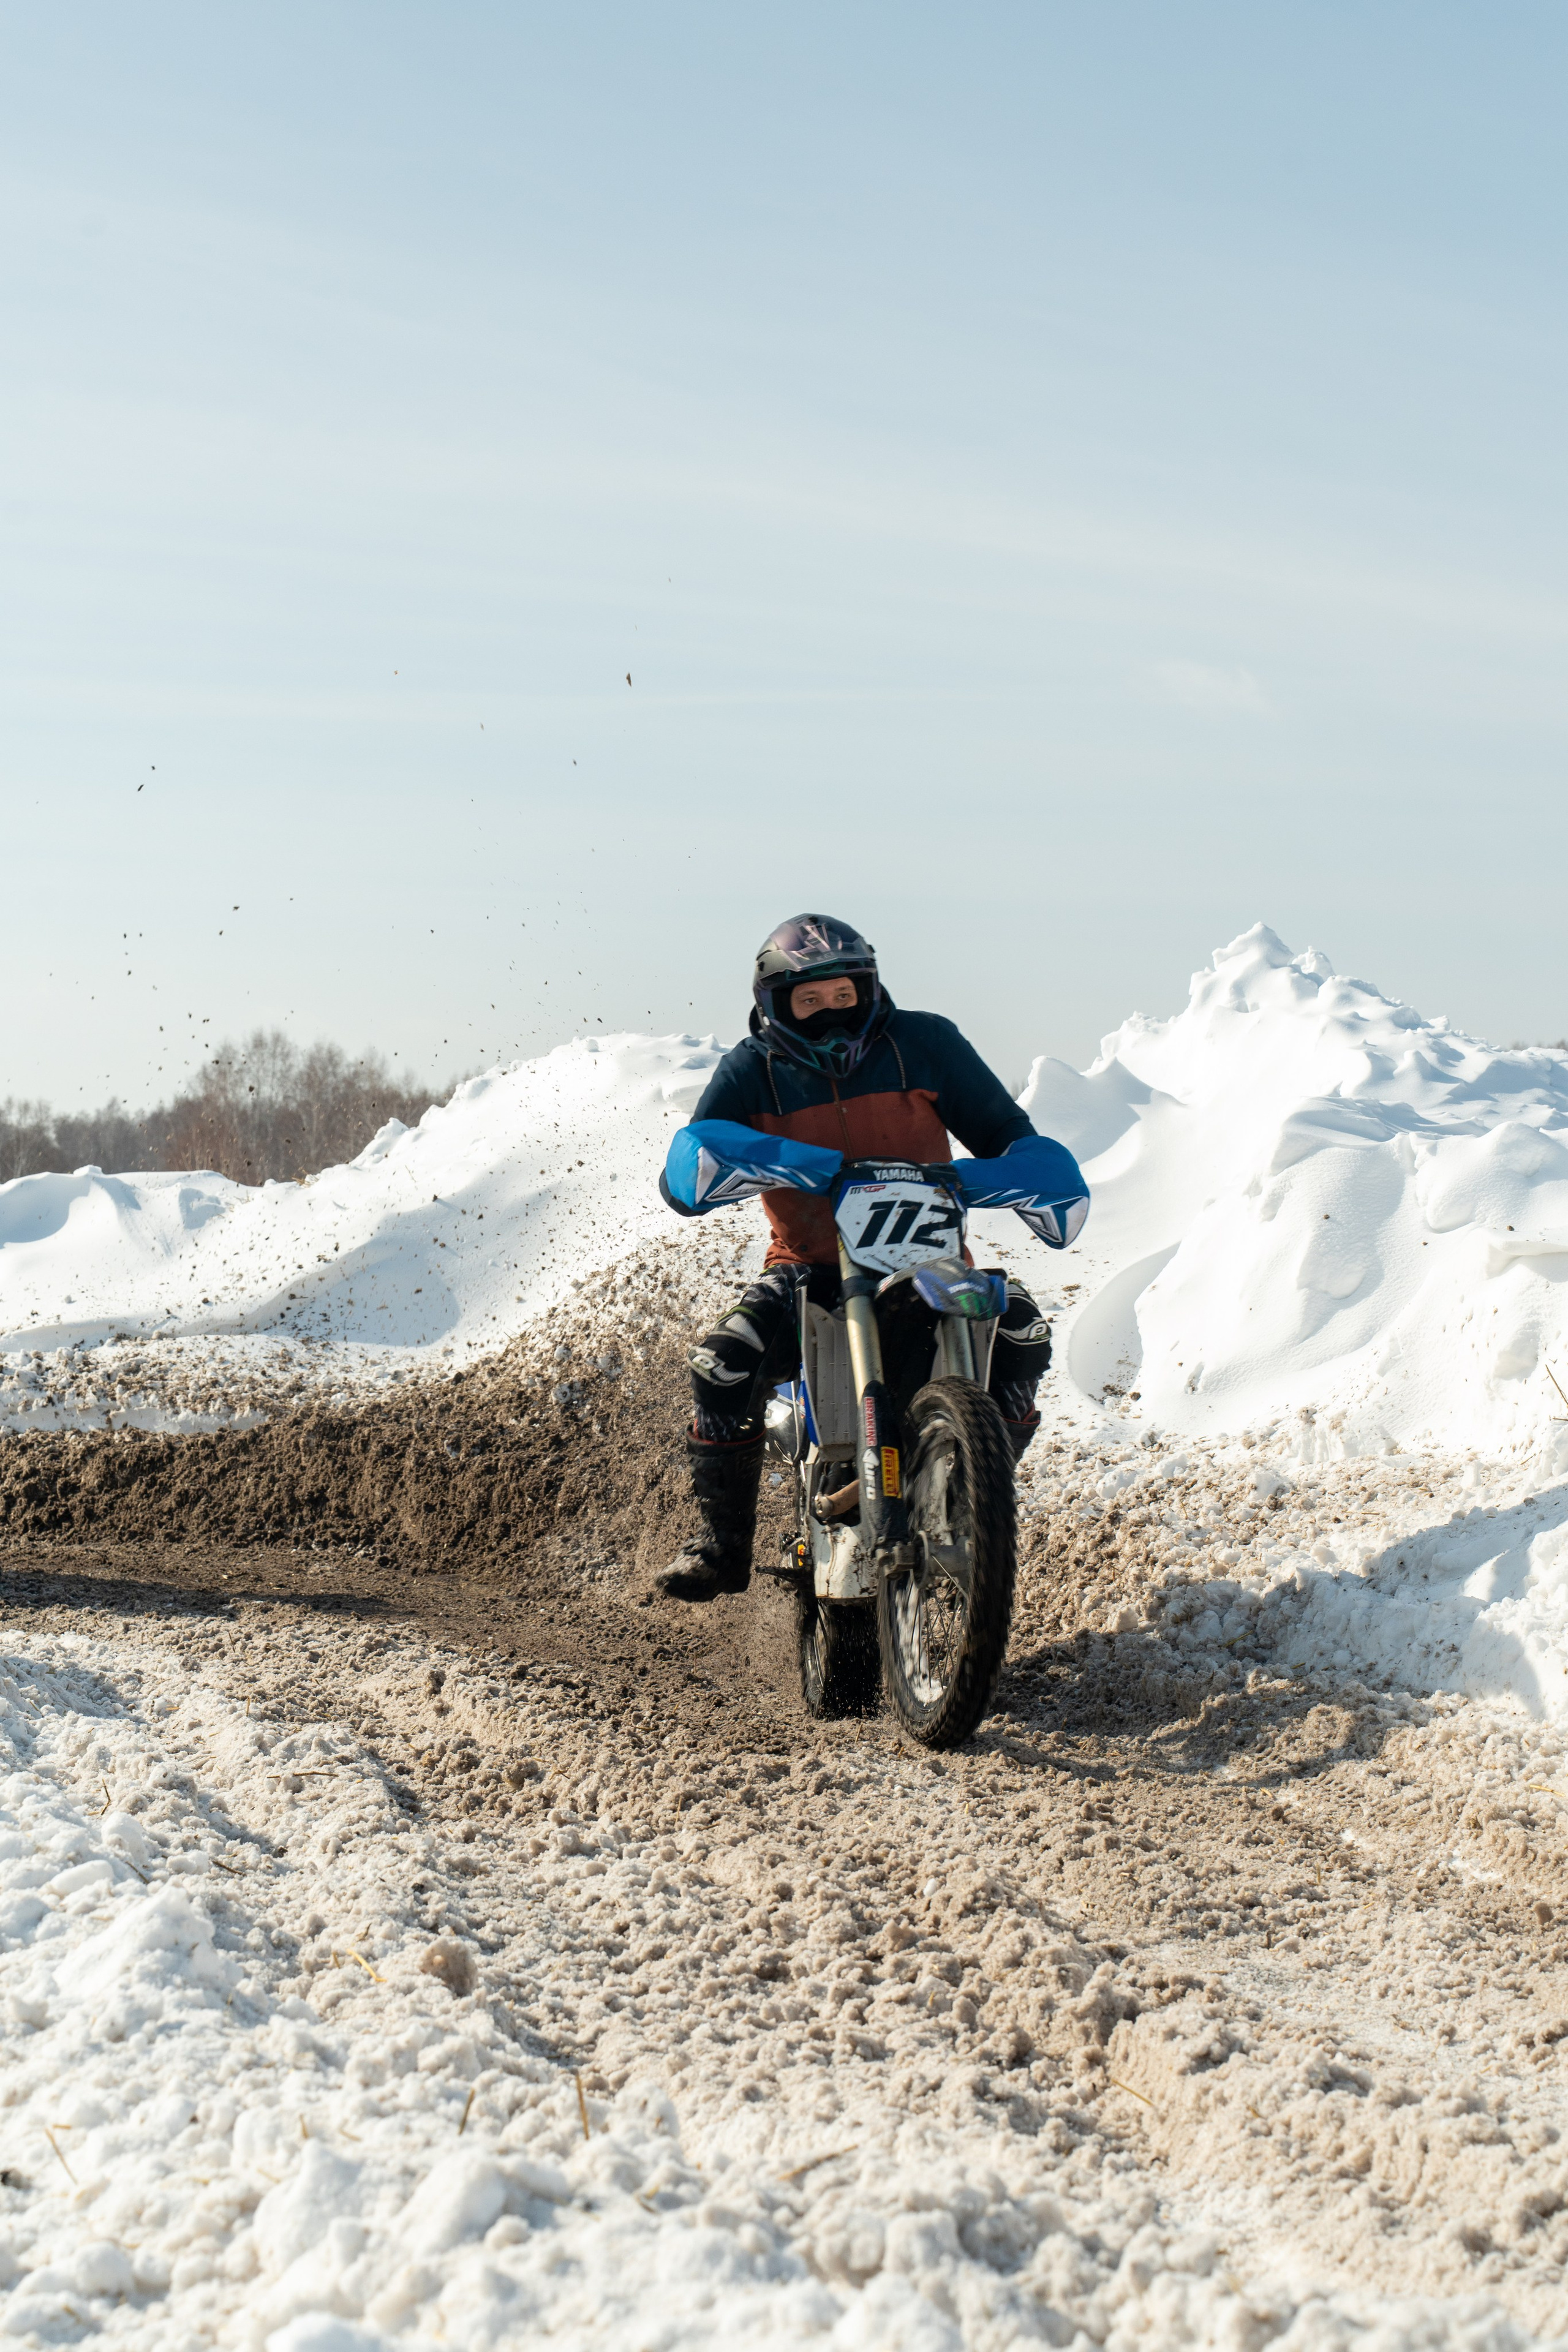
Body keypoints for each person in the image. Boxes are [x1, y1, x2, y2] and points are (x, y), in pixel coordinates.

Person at [654, 914, 1090, 1603]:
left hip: (929, 1264)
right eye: (810, 1001)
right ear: (776, 1005)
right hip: (807, 1267)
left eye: (843, 995)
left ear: (870, 989)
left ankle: (978, 1500)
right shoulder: (752, 1069)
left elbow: (1007, 1132)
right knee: (722, 1363)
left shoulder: (927, 1043)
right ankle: (721, 1545)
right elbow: (690, 1161)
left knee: (1023, 1336)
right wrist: (780, 1162)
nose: (831, 1013)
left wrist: (1017, 1171)